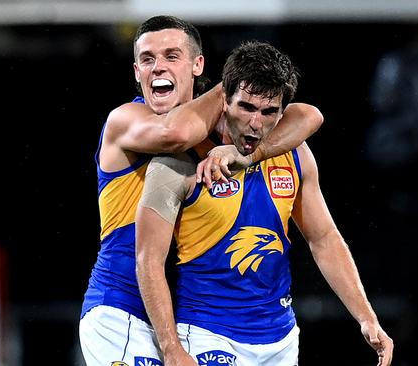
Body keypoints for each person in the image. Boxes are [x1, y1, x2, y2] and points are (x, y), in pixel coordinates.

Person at [79, 16, 324, 366]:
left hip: (177, 315)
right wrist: (233, 85)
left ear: (197, 64)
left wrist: (249, 151)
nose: (158, 67)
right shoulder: (126, 120)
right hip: (122, 309)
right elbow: (174, 133)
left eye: (171, 56)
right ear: (136, 71)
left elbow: (308, 116)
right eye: (147, 59)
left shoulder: (216, 126)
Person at [135, 40, 394, 366]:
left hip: (280, 339)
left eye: (269, 112)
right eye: (247, 107)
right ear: (224, 101)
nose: (256, 123)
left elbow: (323, 238)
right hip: (206, 334)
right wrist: (171, 348)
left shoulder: (295, 155)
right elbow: (147, 260)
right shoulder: (178, 164)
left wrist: (367, 317)